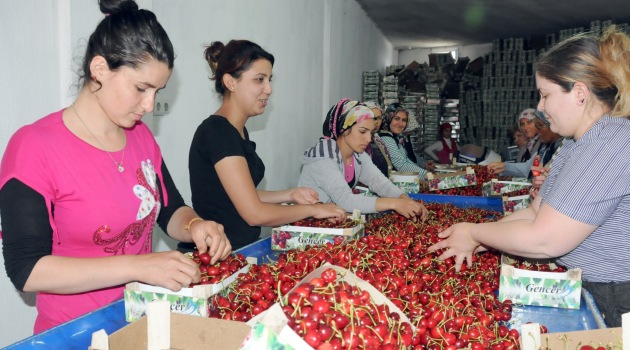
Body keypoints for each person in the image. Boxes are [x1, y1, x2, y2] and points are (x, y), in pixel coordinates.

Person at [0, 0, 231, 333]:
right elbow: (27, 269)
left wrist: (195, 225)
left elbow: (169, 210)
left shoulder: (140, 138)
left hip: (141, 323)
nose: (149, 105)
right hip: (74, 332)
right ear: (99, 69)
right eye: (141, 88)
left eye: (157, 91)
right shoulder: (34, 147)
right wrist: (138, 266)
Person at [428, 26, 630, 327]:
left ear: (579, 94)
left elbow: (546, 239)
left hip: (615, 299)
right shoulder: (576, 144)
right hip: (587, 289)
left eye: (545, 95)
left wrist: (474, 233)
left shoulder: (610, 144)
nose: (540, 107)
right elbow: (534, 213)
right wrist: (480, 237)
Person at [187, 40, 346, 251]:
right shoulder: (218, 133)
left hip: (239, 250)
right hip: (220, 255)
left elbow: (240, 195)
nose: (269, 89)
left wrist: (290, 194)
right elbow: (254, 214)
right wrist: (313, 210)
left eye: (269, 80)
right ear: (231, 82)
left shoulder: (236, 132)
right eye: (259, 80)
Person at [298, 98, 428, 220]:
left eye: (370, 133)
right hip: (311, 228)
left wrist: (405, 199)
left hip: (338, 223)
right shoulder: (323, 158)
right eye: (362, 132)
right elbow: (345, 200)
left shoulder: (358, 155)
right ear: (344, 129)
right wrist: (394, 203)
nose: (368, 139)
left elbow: (379, 182)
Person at [487, 111, 564, 179]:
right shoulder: (544, 147)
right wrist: (505, 166)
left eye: (539, 126)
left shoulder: (565, 149)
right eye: (522, 124)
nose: (538, 130)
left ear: (553, 126)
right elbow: (528, 167)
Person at [378, 103, 428, 178]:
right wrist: (425, 175)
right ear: (389, 118)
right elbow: (401, 165)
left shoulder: (395, 138)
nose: (400, 124)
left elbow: (406, 160)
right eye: (397, 118)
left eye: (404, 120)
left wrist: (425, 172)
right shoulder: (386, 138)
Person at [363, 102, 393, 177]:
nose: (376, 122)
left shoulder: (378, 140)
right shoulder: (359, 143)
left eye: (379, 118)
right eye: (372, 117)